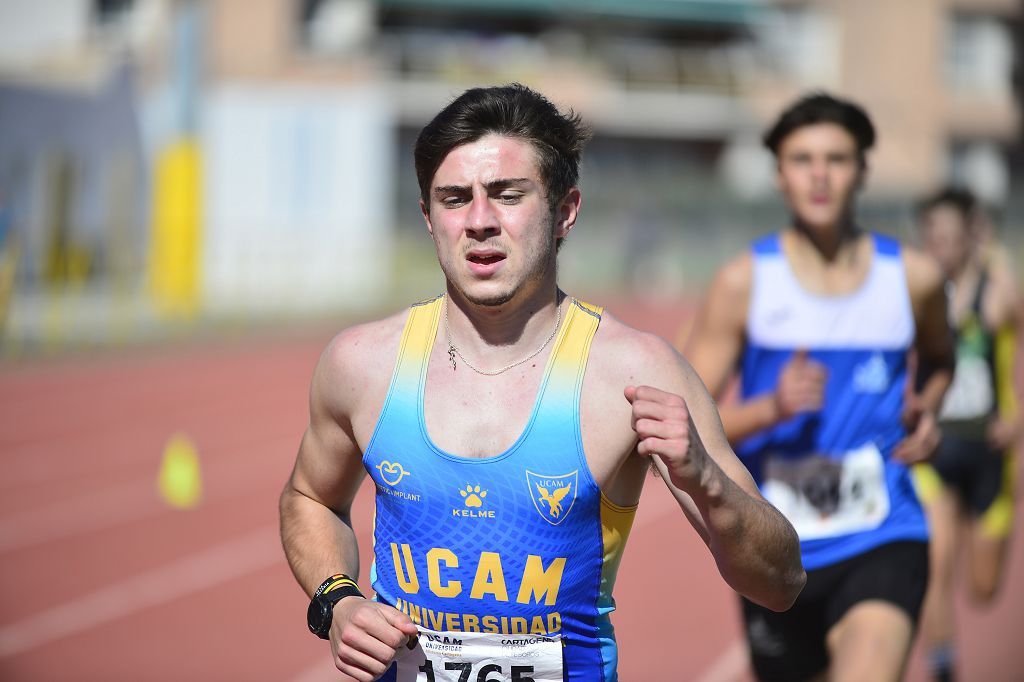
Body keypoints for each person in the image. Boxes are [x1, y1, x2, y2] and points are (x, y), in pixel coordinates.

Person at [279, 83, 805, 682]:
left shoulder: (634, 374)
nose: (479, 221)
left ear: (565, 210)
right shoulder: (361, 364)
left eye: (507, 195)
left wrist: (709, 483)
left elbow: (782, 583)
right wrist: (337, 600)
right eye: (455, 199)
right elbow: (309, 498)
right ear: (428, 217)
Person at [684, 92, 955, 681]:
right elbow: (682, 427)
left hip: (883, 531)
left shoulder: (913, 279)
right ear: (779, 174)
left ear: (863, 170)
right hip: (773, 547)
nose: (820, 175)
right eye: (802, 159)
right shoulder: (744, 283)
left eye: (837, 159)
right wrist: (771, 407)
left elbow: (940, 358)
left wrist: (928, 408)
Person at [914, 187, 1021, 682]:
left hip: (989, 453)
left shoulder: (998, 294)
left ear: (970, 238)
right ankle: (942, 667)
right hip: (934, 451)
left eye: (952, 239)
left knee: (982, 587)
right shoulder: (912, 295)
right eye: (933, 239)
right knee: (935, 563)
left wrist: (1019, 418)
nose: (942, 250)